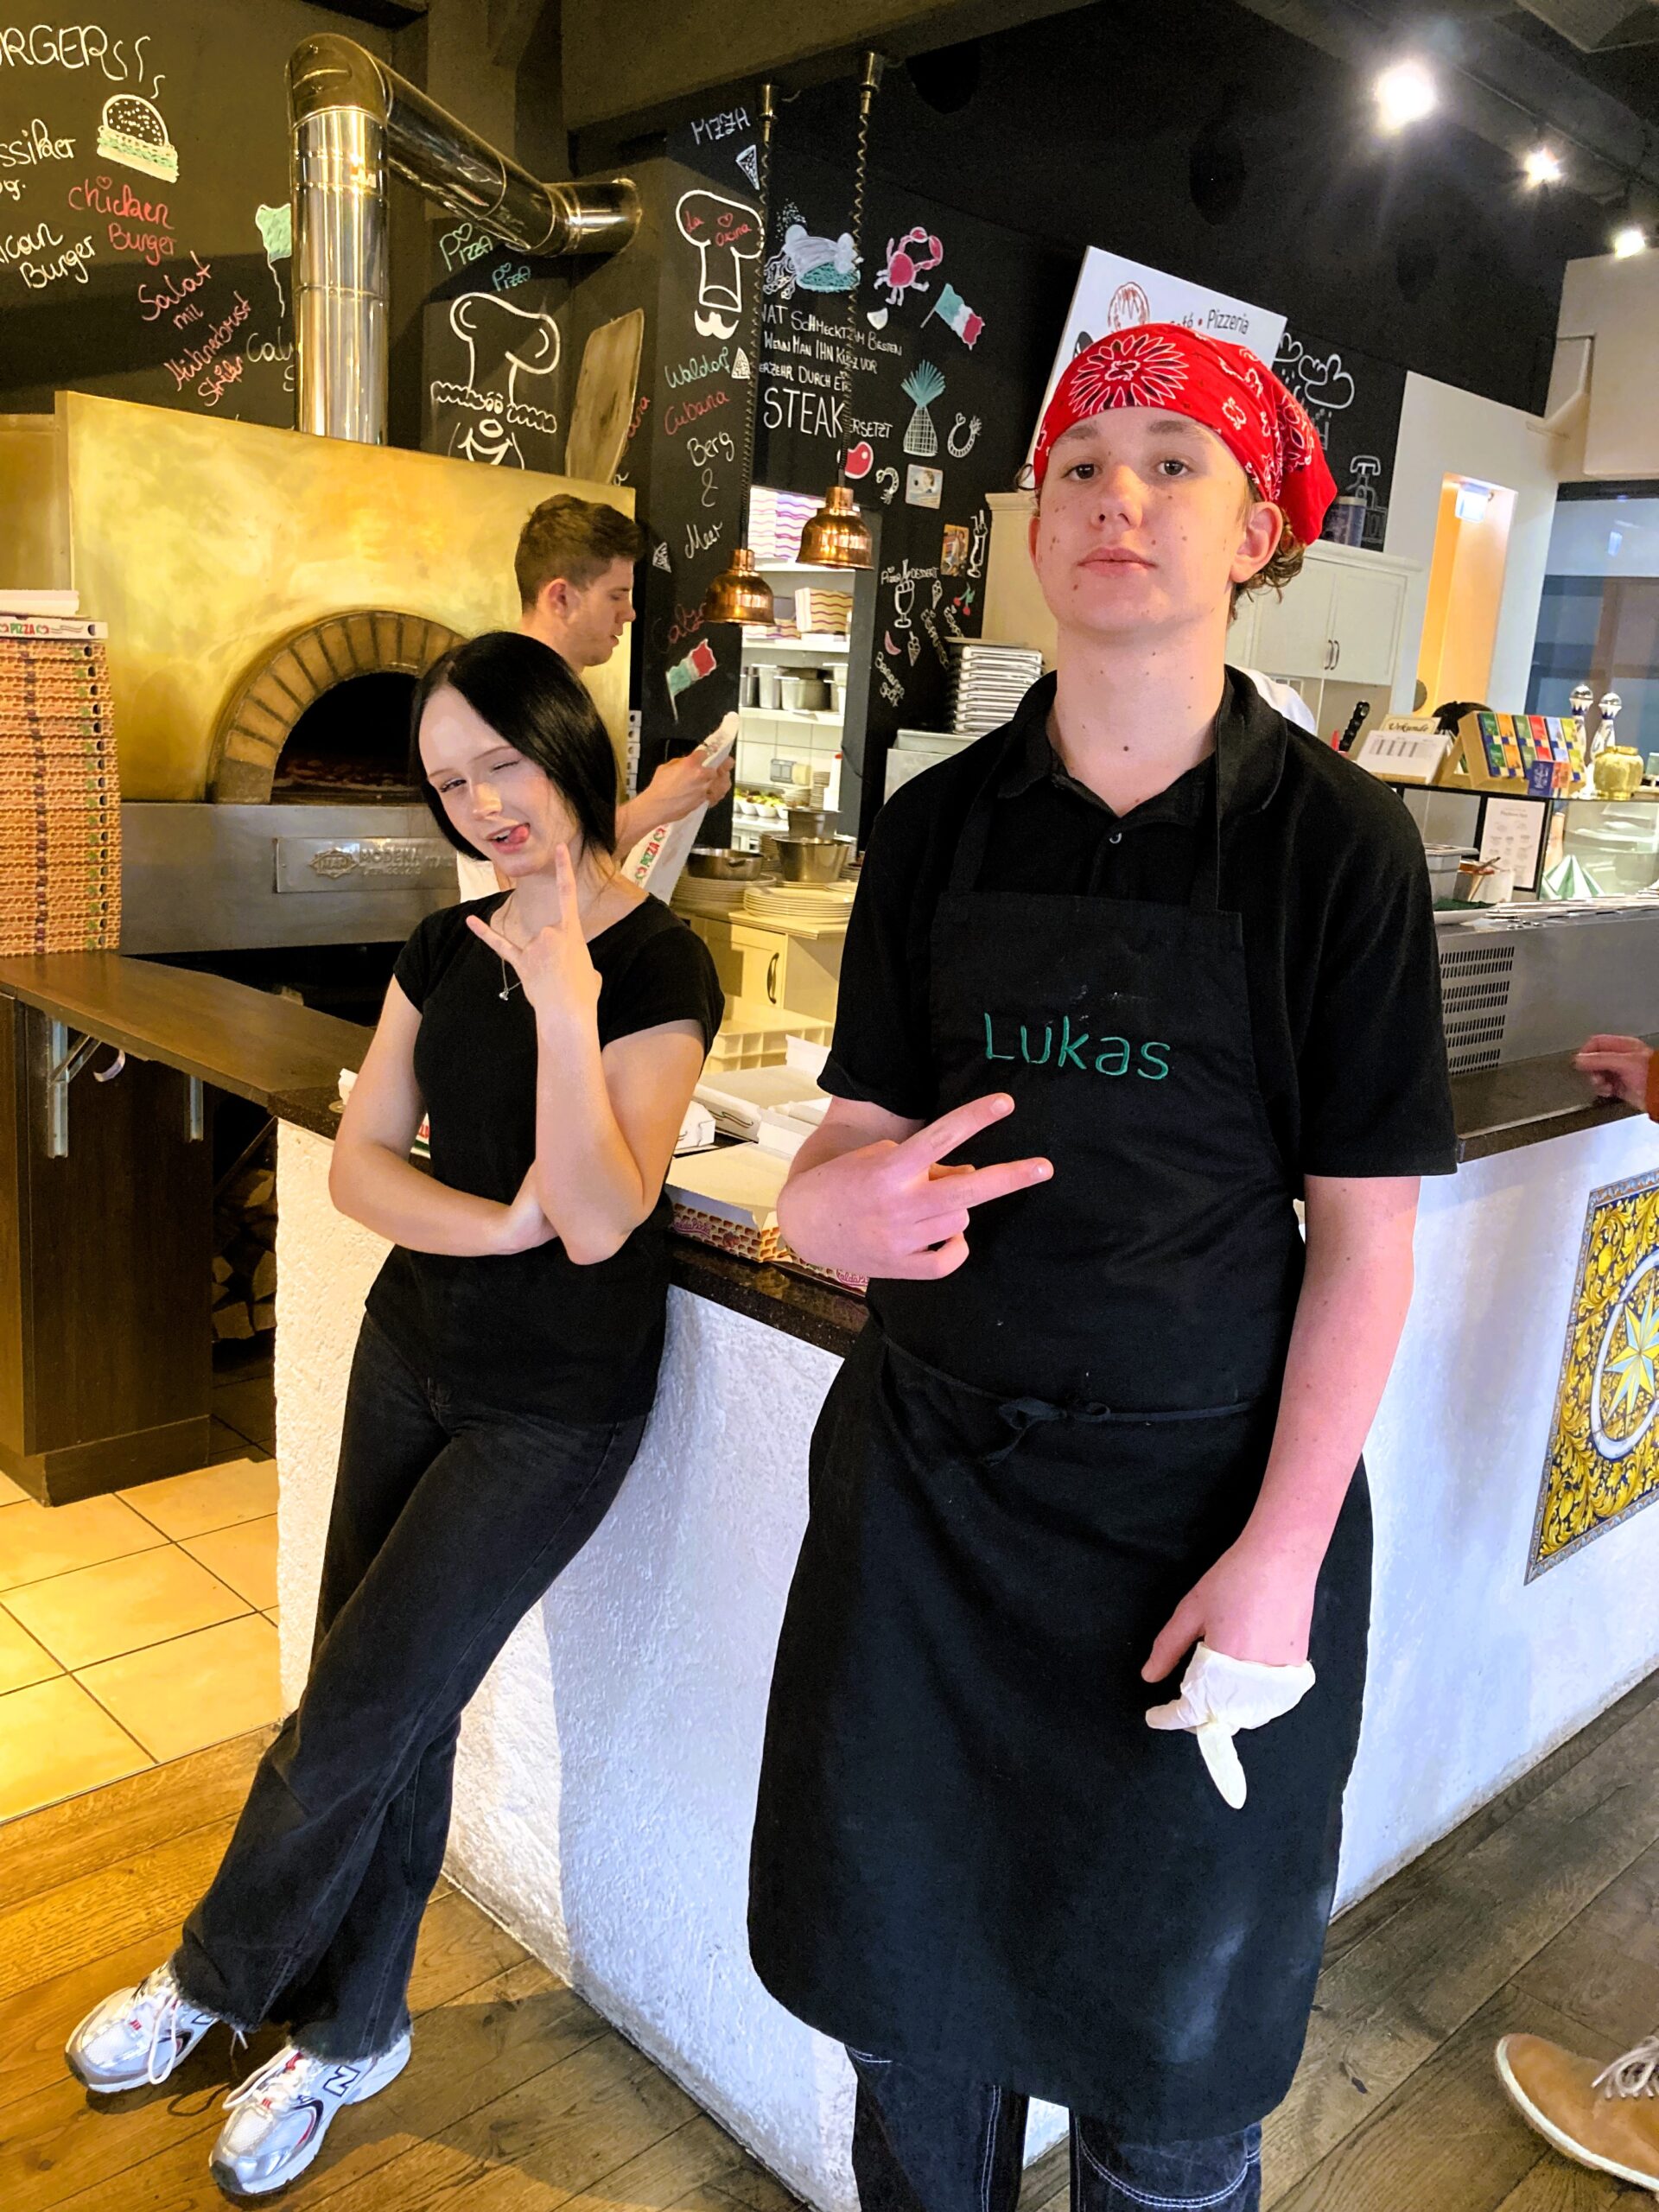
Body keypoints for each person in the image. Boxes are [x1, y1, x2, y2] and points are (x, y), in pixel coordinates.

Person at [747, 325, 1457, 2212]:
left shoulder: (1339, 847)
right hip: (928, 1515)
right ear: (1035, 523)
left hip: (1198, 1522)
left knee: (1172, 2067)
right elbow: (847, 1137)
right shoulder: (936, 826)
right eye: (1081, 465)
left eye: (1173, 463)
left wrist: (1280, 1562)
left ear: (1256, 536)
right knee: (908, 2023)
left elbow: (1367, 1240)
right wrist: (823, 1213)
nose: (1118, 497)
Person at [65, 632, 723, 2201]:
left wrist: (563, 1002)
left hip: (553, 1412)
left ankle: (213, 1981)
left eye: (503, 762)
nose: (483, 804)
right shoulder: (438, 946)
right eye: (449, 782)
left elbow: (598, 1219)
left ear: (566, 747)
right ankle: (355, 2028)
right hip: (412, 1351)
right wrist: (480, 1227)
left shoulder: (657, 969)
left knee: (358, 1709)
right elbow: (364, 1166)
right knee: (385, 1704)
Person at [454, 495, 734, 898]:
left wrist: (681, 799)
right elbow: (522, 875)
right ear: (561, 598)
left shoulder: (560, 697)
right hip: (513, 938)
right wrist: (654, 805)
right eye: (616, 595)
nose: (630, 613)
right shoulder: (505, 701)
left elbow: (581, 849)